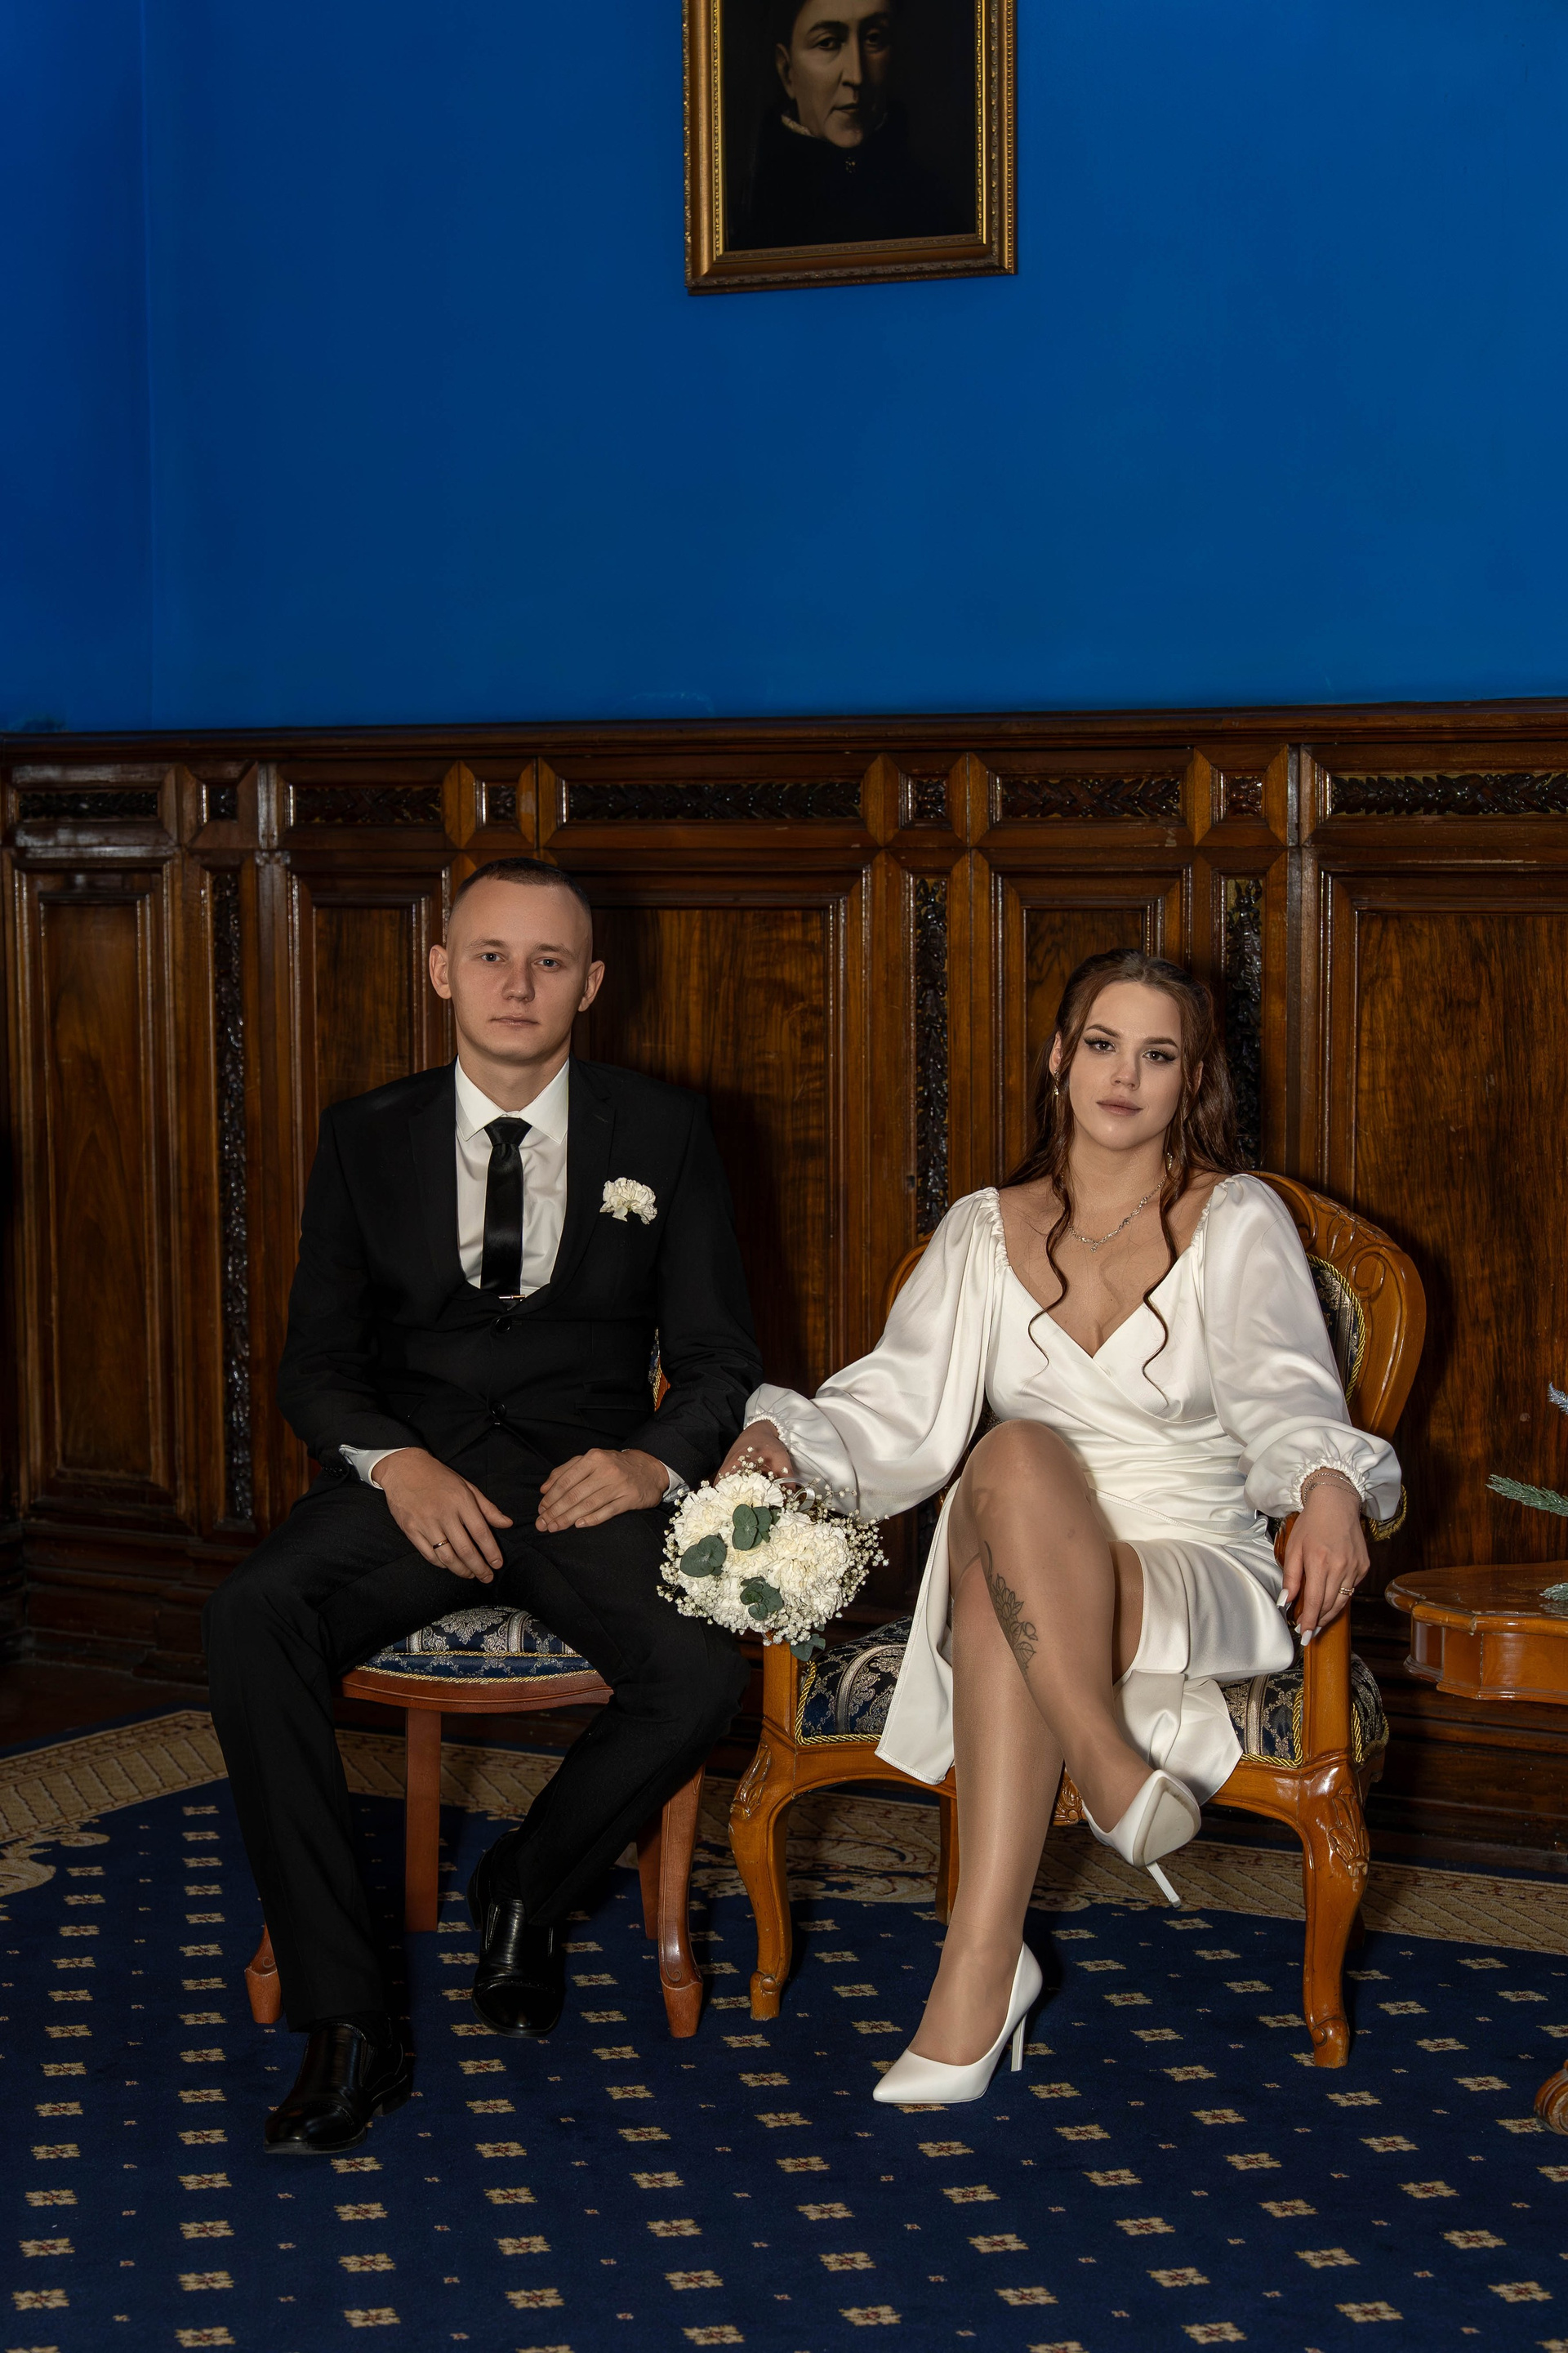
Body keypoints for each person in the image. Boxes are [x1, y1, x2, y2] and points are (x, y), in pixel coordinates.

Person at [725, 949, 1400, 2105]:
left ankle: (984, 1969)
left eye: (1157, 1054)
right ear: (1058, 1059)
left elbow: (1289, 1389)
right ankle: (1094, 1781)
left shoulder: (1236, 1217)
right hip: (1020, 1536)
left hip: (1189, 1555)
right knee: (1015, 1459)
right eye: (1101, 1044)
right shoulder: (982, 1230)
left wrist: (1328, 1480)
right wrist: (788, 1441)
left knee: (1000, 1567)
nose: (1123, 1076)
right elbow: (895, 1408)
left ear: (1192, 1081)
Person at [203, 858, 759, 2154]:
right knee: (251, 1616)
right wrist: (394, 1464)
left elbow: (719, 1354)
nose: (519, 983)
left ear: (591, 984)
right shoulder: (366, 1132)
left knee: (697, 1669)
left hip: (583, 1487)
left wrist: (650, 1464)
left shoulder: (664, 1129)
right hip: (420, 1482)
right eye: (492, 956)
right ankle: (350, 2020)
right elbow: (314, 1366)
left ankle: (527, 1883)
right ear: (442, 970)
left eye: (549, 960)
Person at [736, 0, 969, 251]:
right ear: (787, 71)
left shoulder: (932, 201)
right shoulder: (751, 212)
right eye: (827, 43)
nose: (856, 76)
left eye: (873, 38)